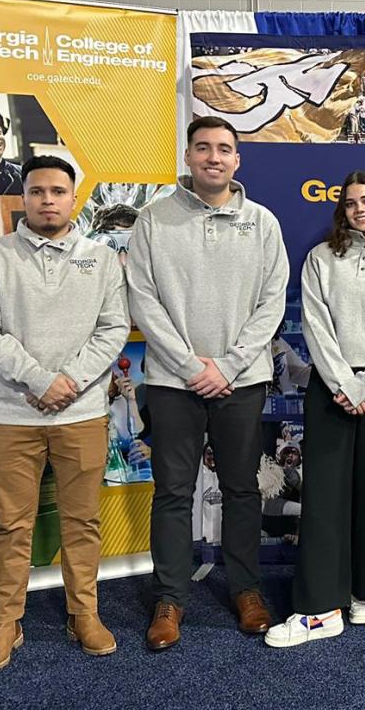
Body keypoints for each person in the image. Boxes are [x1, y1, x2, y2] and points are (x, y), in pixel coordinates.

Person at [0, 155, 128, 671]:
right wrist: (40, 380)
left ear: (73, 199)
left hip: (81, 412)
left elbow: (113, 329)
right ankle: (6, 624)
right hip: (12, 415)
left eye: (58, 191)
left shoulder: (100, 259)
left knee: (82, 521)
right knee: (12, 526)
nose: (48, 200)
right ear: (24, 197)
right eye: (38, 191)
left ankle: (85, 614)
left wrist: (69, 383)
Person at [127, 116, 288, 650]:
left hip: (241, 381)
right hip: (175, 382)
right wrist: (193, 367)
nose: (214, 157)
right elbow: (143, 299)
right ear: (189, 156)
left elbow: (272, 301)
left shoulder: (262, 222)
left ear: (237, 160)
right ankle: (169, 598)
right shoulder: (153, 219)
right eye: (203, 149)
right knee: (173, 491)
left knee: (243, 489)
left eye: (224, 149)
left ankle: (245, 587)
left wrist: (229, 365)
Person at [264, 171, 365, 648]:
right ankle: (318, 608)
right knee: (325, 497)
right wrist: (342, 383)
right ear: (343, 210)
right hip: (332, 388)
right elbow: (315, 323)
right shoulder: (321, 258)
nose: (360, 209)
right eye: (352, 203)